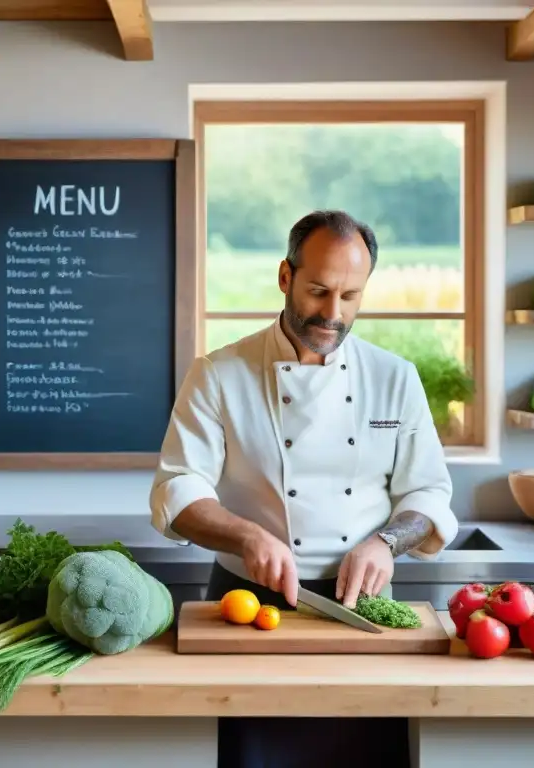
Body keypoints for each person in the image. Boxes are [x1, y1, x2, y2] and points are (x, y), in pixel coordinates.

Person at [149, 210, 459, 766]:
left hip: (364, 610)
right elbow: (178, 489)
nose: (333, 314)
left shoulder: (395, 378)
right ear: (285, 277)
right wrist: (246, 535)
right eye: (319, 291)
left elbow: (429, 495)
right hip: (246, 605)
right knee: (252, 753)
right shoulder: (219, 374)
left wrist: (385, 542)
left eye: (351, 296)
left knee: (367, 754)